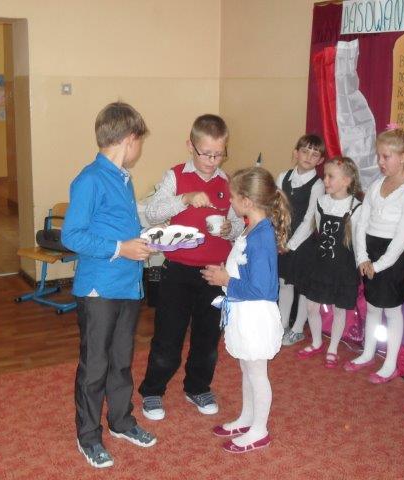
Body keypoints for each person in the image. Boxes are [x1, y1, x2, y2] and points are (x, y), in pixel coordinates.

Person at [61, 102, 156, 469]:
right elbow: (72, 236)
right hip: (99, 289)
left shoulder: (123, 178)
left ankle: (121, 421)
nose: (139, 149)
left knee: (120, 360)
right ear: (129, 139)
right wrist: (121, 248)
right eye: (140, 142)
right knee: (95, 366)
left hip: (128, 286)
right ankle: (88, 435)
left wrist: (148, 239)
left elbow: (121, 228)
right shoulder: (90, 180)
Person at [138, 114, 244, 420]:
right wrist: (183, 199)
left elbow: (239, 225)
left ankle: (197, 386)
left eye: (219, 154)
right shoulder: (175, 176)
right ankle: (153, 390)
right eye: (206, 153)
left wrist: (231, 230)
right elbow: (153, 213)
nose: (212, 161)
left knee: (208, 337)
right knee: (168, 336)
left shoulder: (228, 182)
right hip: (178, 271)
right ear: (190, 146)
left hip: (215, 273)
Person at [201, 166, 291, 452]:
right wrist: (226, 274)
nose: (229, 200)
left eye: (233, 196)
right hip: (243, 312)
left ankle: (259, 430)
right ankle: (247, 417)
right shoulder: (252, 227)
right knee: (246, 368)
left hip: (255, 316)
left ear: (247, 202)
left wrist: (226, 280)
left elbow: (262, 289)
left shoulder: (262, 237)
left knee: (256, 373)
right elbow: (246, 270)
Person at [344, 127, 404, 383]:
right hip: (370, 254)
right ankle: (368, 353)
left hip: (391, 259)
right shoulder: (377, 185)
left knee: (391, 310)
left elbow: (402, 238)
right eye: (379, 156)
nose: (380, 161)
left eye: (386, 156)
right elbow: (362, 223)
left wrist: (378, 265)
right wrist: (362, 257)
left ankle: (389, 364)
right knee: (372, 306)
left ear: (403, 158)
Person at [295, 157, 362, 367]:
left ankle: (333, 347)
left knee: (339, 309)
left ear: (347, 181)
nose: (325, 180)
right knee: (312, 306)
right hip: (320, 265)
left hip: (343, 268)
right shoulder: (322, 202)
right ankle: (316, 342)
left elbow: (358, 241)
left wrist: (360, 265)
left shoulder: (356, 207)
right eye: (325, 175)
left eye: (331, 176)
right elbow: (316, 228)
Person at [276, 134, 325, 347]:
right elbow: (276, 208)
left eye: (315, 154)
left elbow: (310, 219)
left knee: (302, 287)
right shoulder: (283, 177)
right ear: (296, 153)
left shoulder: (317, 185)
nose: (308, 157)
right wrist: (278, 236)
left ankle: (297, 328)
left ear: (320, 160)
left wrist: (291, 244)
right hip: (283, 239)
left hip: (303, 244)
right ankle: (282, 324)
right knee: (284, 283)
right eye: (304, 151)